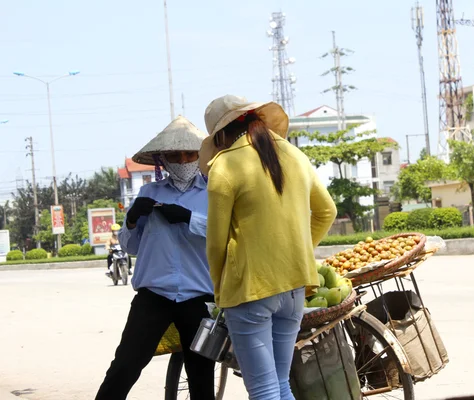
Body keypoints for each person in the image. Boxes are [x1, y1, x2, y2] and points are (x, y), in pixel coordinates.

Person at [199, 95, 337, 399]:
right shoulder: (295, 155)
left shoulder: (225, 165)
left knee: (263, 390)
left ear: (220, 135)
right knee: (280, 384)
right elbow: (327, 212)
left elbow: (216, 243)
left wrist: (220, 290)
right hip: (295, 289)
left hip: (251, 290)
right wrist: (297, 251)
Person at [96, 116, 216, 400]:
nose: (183, 160)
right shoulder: (148, 193)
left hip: (199, 299)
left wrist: (189, 219)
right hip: (154, 296)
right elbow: (131, 247)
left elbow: (227, 237)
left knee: (201, 378)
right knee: (124, 367)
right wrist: (134, 219)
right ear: (163, 159)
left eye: (190, 154)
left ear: (200, 156)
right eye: (175, 155)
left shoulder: (214, 194)